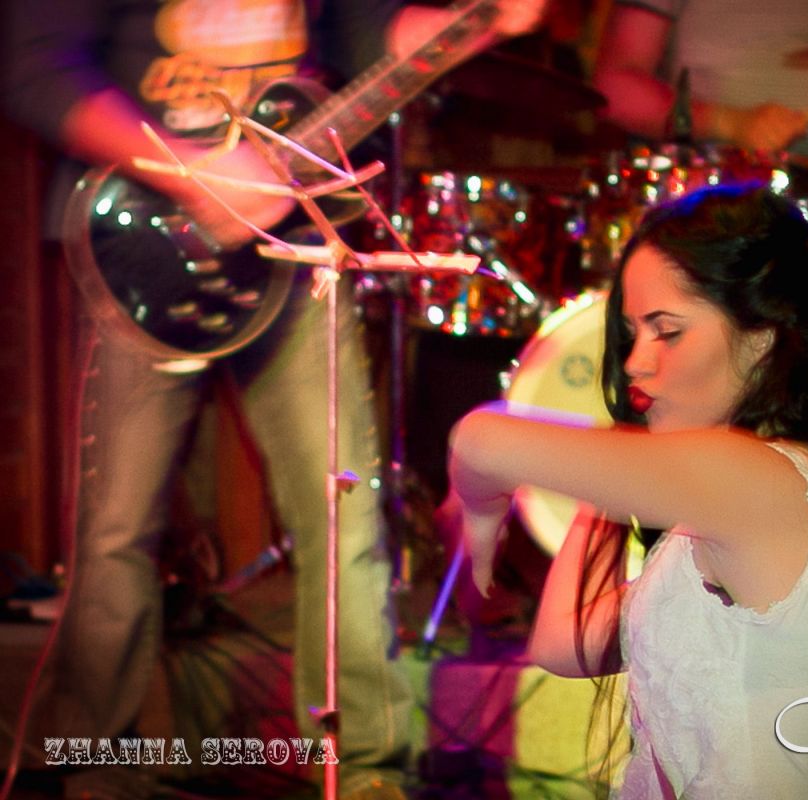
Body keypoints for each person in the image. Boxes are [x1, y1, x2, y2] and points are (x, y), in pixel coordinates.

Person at [0, 0, 543, 796]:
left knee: (343, 511)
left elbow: (370, 32)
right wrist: (187, 173)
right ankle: (91, 769)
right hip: (147, 233)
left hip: (296, 243)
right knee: (117, 529)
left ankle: (361, 770)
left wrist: (484, 18)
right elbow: (35, 64)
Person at [443, 183, 808, 798]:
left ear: (761, 339)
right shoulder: (735, 503)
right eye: (634, 333)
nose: (635, 362)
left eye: (667, 331)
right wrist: (617, 474)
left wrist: (482, 511)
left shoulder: (762, 480)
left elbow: (479, 441)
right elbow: (563, 644)